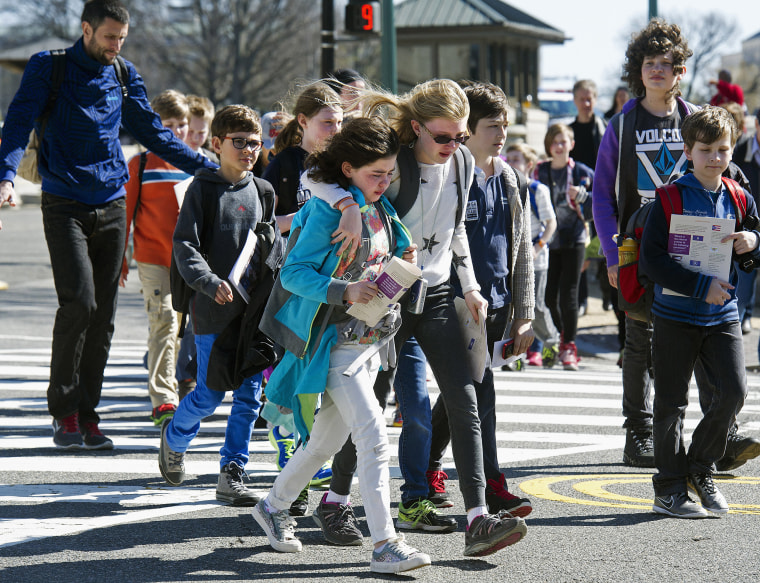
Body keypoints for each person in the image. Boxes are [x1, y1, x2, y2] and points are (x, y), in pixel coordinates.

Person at [310, 79, 528, 557]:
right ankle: (334, 500)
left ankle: (477, 520)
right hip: (387, 291)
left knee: (463, 395)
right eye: (443, 137)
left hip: (439, 291)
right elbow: (316, 176)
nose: (453, 147)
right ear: (415, 128)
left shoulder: (464, 162)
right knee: (372, 401)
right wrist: (347, 205)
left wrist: (469, 285)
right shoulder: (396, 159)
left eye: (460, 136)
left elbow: (455, 231)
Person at [0, 0, 216, 449]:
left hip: (112, 203)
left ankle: (88, 414)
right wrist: (5, 176)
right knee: (78, 303)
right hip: (63, 202)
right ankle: (64, 411)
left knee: (104, 316)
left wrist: (207, 168)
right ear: (86, 29)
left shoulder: (123, 74)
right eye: (108, 37)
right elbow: (19, 123)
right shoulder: (49, 68)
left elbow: (154, 134)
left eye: (122, 38)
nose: (115, 45)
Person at [252, 116, 431, 574]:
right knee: (372, 437)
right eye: (376, 174)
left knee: (323, 444)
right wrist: (343, 290)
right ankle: (385, 544)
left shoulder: (376, 208)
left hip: (368, 342)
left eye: (390, 173)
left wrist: (402, 259)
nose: (385, 182)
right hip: (333, 347)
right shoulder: (326, 210)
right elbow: (292, 273)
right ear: (348, 168)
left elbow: (392, 251)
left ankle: (272, 507)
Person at [640, 106, 760, 518]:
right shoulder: (670, 197)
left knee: (734, 392)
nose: (714, 157)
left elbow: (754, 247)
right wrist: (698, 285)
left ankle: (700, 468)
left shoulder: (739, 196)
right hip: (674, 314)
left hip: (723, 315)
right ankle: (669, 490)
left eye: (723, 149)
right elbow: (650, 261)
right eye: (705, 149)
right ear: (688, 151)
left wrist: (752, 242)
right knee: (671, 403)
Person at [159, 104, 279, 506]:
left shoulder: (263, 190)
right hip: (213, 313)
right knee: (210, 396)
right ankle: (175, 437)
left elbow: (270, 247)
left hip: (253, 315)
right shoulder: (203, 189)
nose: (248, 150)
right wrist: (208, 281)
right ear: (216, 143)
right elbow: (185, 244)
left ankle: (232, 471)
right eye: (239, 142)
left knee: (249, 397)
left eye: (255, 143)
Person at [425, 82, 535, 518]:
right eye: (493, 125)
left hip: (496, 304)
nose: (502, 133)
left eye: (505, 124)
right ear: (467, 129)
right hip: (455, 302)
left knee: (460, 394)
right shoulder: (454, 172)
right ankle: (489, 484)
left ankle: (427, 467)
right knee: (478, 395)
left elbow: (522, 249)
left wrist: (524, 315)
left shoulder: (509, 177)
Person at [593, 18, 695, 467]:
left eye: (666, 63)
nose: (657, 70)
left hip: (689, 247)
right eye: (649, 63)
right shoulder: (621, 124)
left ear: (680, 71)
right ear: (638, 70)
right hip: (637, 251)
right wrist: (613, 256)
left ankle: (713, 431)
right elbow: (601, 195)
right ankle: (638, 434)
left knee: (697, 338)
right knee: (639, 341)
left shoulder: (693, 119)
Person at [120, 89, 193, 425]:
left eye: (182, 125)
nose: (177, 132)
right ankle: (164, 399)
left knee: (179, 327)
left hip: (189, 261)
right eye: (169, 125)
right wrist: (121, 256)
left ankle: (176, 382)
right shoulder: (143, 163)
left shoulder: (194, 161)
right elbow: (125, 214)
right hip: (152, 258)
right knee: (163, 319)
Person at [534, 123, 594, 371]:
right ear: (548, 145)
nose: (559, 146)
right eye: (555, 142)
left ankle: (569, 345)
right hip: (548, 241)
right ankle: (558, 336)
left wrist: (582, 196)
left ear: (572, 144)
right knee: (547, 296)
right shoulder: (540, 171)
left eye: (564, 141)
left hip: (575, 238)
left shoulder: (582, 172)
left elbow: (601, 202)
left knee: (570, 294)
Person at [174, 94, 217, 401]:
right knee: (170, 320)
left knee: (190, 320)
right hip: (171, 249)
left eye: (202, 133)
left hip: (206, 250)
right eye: (192, 131)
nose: (196, 138)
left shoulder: (212, 164)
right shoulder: (166, 159)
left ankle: (186, 373)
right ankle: (175, 370)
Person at [262, 82, 343, 235]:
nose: (336, 130)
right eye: (328, 122)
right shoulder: (283, 163)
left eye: (339, 122)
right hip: (292, 254)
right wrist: (303, 217)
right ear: (303, 121)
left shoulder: (342, 163)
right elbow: (263, 224)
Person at [505, 142, 560, 367]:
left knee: (535, 305)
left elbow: (551, 223)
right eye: (508, 159)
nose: (510, 164)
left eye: (516, 159)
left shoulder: (538, 190)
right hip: (511, 259)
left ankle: (551, 341)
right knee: (510, 307)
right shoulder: (505, 186)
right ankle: (514, 354)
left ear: (529, 164)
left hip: (536, 260)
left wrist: (538, 247)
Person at [569, 79, 606, 317]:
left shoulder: (604, 130)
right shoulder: (569, 131)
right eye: (581, 98)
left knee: (603, 249)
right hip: (577, 201)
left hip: (601, 198)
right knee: (581, 251)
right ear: (574, 101)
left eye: (589, 98)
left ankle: (607, 294)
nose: (586, 103)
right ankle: (581, 299)